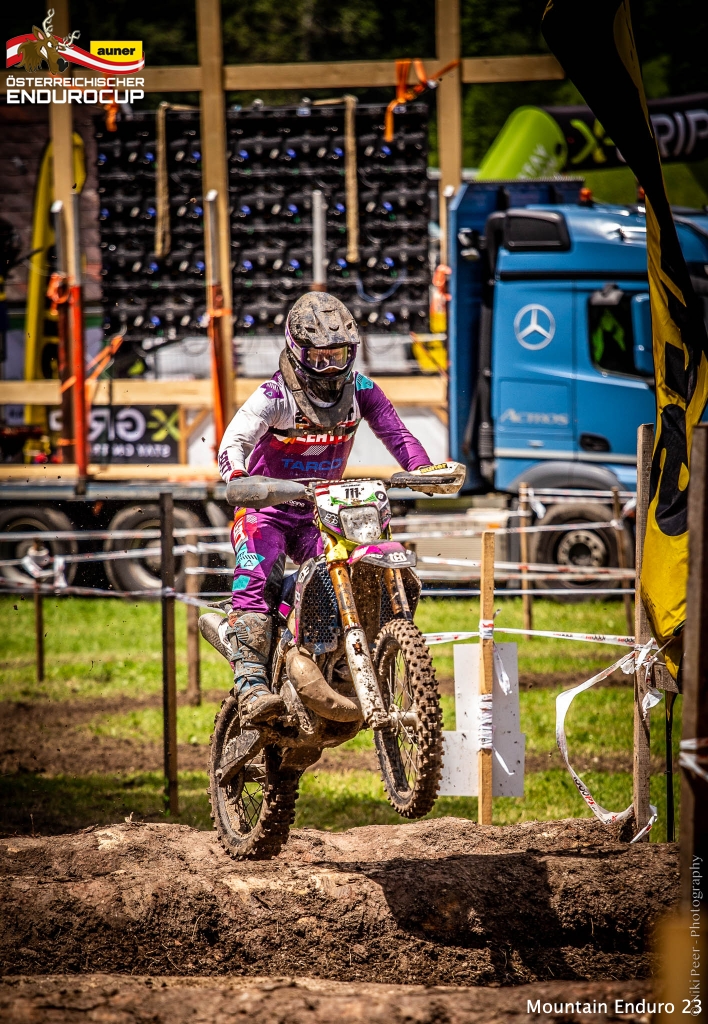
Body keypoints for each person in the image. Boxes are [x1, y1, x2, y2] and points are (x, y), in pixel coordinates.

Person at [216, 291, 434, 727]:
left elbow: (397, 434)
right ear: (297, 352)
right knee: (258, 574)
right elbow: (233, 441)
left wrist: (422, 470)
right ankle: (252, 683)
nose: (330, 366)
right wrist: (238, 477)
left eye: (338, 355)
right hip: (267, 509)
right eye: (319, 357)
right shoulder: (274, 395)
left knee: (353, 570)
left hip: (322, 509)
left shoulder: (363, 390)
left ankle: (338, 659)